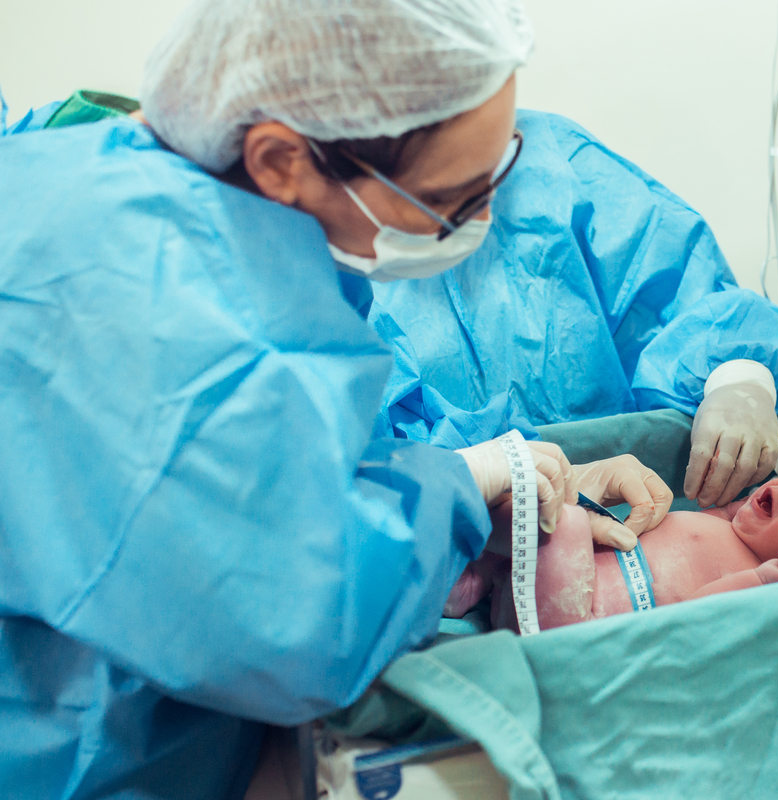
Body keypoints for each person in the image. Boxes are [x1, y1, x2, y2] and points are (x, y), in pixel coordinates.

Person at [0, 2, 673, 797]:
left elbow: (270, 476)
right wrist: (454, 491)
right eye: (451, 201)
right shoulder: (150, 298)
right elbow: (292, 623)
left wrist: (465, 491)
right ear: (281, 159)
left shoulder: (155, 203)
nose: (483, 222)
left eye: (499, 176)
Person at [358, 109, 778, 509]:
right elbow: (340, 469)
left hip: (637, 500)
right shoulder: (332, 249)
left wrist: (739, 380)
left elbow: (682, 283)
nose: (478, 213)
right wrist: (468, 480)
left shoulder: (549, 157)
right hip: (438, 542)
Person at [446, 474, 778, 631]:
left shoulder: (756, 585)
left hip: (578, 621)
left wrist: (760, 582)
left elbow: (696, 621)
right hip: (541, 585)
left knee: (558, 516)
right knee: (533, 515)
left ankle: (482, 575)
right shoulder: (726, 523)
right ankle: (477, 582)